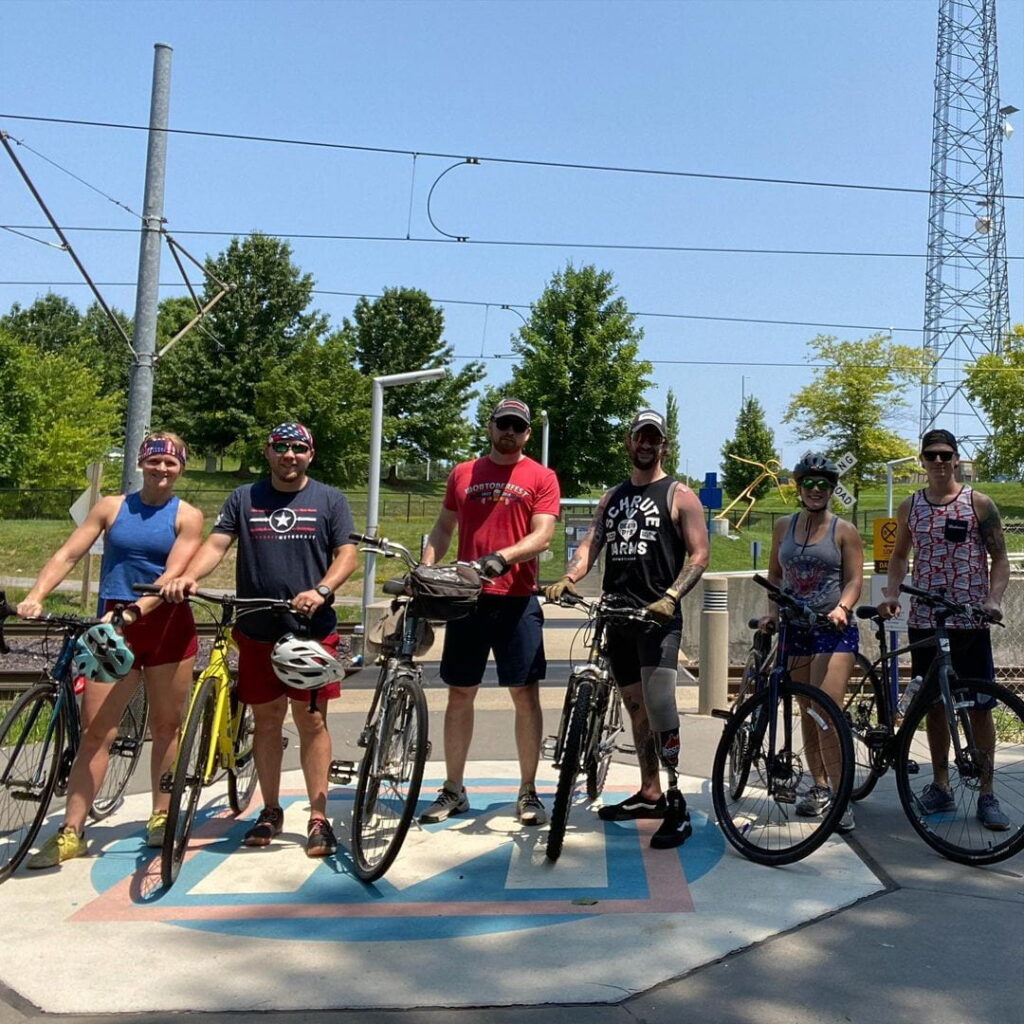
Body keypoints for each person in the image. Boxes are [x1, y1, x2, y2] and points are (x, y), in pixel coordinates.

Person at [161, 422, 357, 857]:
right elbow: (217, 544)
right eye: (281, 447)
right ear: (268, 452)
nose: (290, 455)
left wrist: (322, 589)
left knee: (312, 722)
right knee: (266, 722)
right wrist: (190, 576)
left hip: (309, 629)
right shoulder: (243, 498)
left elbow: (347, 553)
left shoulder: (329, 499)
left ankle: (318, 817)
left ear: (311, 453)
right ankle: (270, 809)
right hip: (256, 629)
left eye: (299, 448)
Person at [21, 432, 203, 868]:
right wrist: (36, 595)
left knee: (166, 727)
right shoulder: (111, 507)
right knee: (96, 733)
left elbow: (173, 574)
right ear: (142, 463)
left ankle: (162, 814)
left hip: (165, 629)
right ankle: (71, 831)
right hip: (112, 630)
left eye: (171, 463)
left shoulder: (188, 516)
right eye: (155, 461)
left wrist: (132, 613)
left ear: (181, 468)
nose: (162, 469)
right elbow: (68, 553)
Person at [544, 409, 709, 849]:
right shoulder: (612, 497)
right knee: (634, 706)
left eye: (654, 438)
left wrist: (671, 597)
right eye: (640, 437)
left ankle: (676, 799)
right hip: (616, 616)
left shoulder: (680, 495)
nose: (646, 444)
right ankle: (649, 790)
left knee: (659, 704)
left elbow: (699, 555)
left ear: (664, 445)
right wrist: (571, 576)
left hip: (657, 618)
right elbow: (592, 541)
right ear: (629, 442)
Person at [418, 398, 561, 827]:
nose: (510, 433)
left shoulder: (541, 476)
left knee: (525, 694)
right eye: (504, 424)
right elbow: (444, 527)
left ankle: (529, 792)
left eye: (518, 427)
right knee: (460, 692)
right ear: (489, 426)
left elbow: (542, 535)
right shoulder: (463, 473)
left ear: (527, 433)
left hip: (516, 600)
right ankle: (453, 789)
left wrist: (502, 557)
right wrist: (427, 569)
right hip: (467, 599)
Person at [878, 428, 1010, 830]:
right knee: (934, 706)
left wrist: (993, 600)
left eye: (945, 454)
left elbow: (1000, 559)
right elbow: (900, 555)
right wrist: (892, 593)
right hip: (925, 619)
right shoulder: (910, 507)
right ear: (922, 461)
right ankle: (940, 785)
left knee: (980, 707)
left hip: (969, 620)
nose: (938, 461)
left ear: (956, 459)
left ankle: (987, 792)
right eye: (931, 455)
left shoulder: (979, 504)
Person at [760, 451, 863, 832]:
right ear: (799, 487)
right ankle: (819, 785)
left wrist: (843, 606)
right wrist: (771, 609)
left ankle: (840, 797)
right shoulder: (783, 526)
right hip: (795, 627)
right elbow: (775, 573)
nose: (817, 490)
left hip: (831, 629)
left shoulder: (843, 530)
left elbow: (854, 579)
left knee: (826, 711)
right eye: (810, 483)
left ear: (832, 489)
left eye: (824, 484)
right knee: (805, 708)